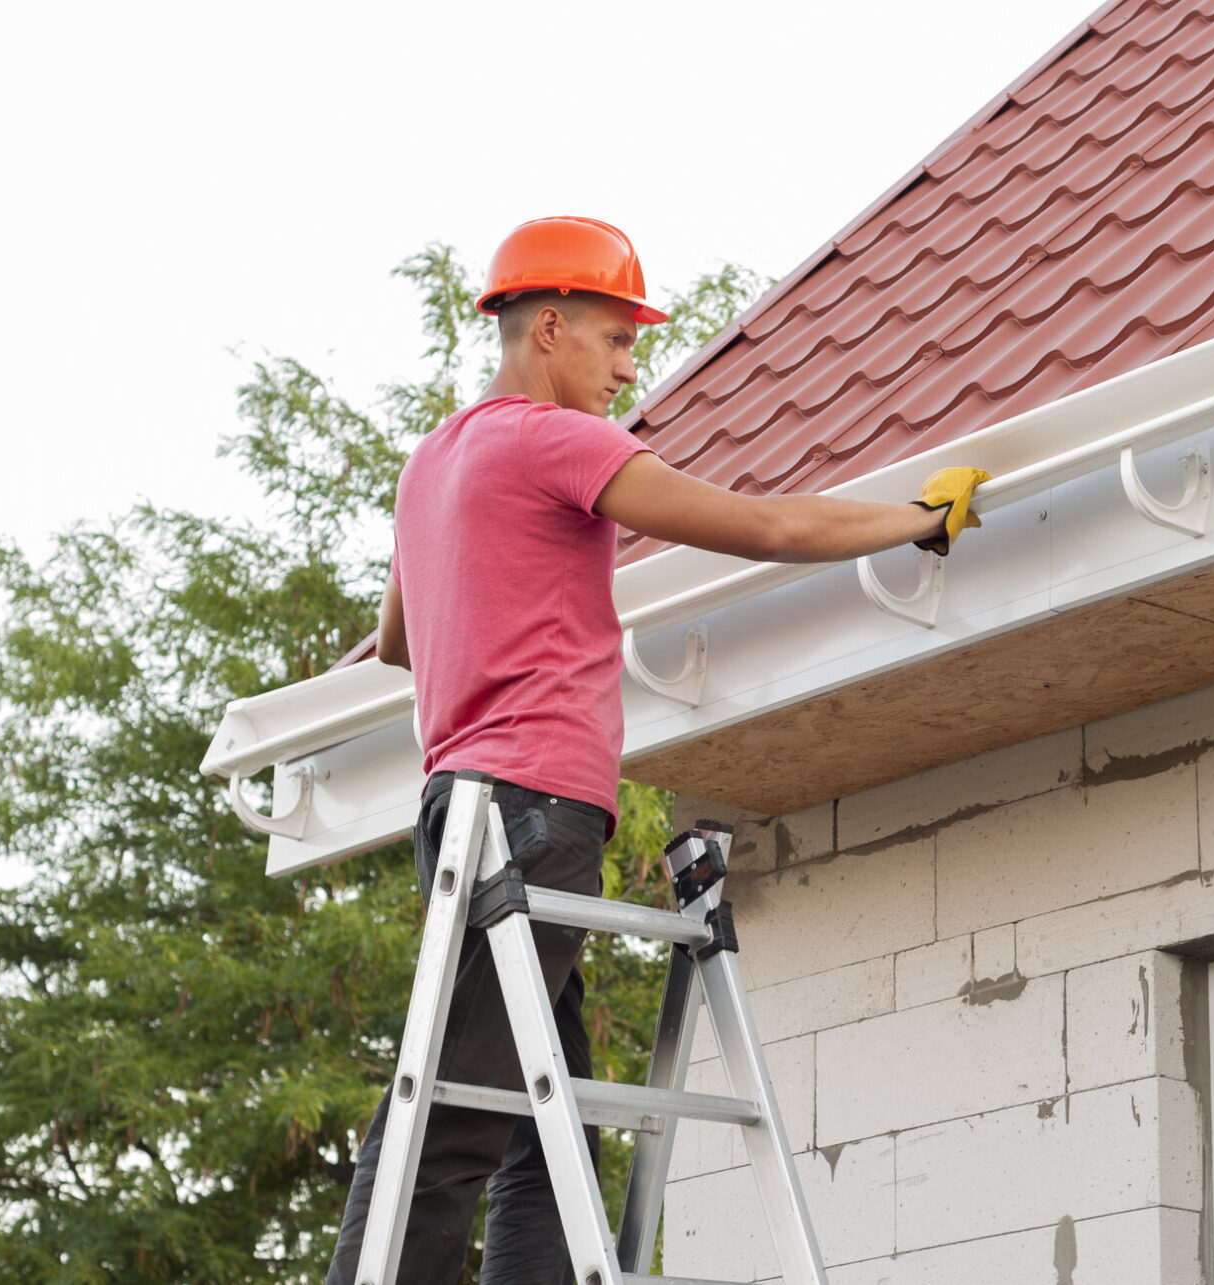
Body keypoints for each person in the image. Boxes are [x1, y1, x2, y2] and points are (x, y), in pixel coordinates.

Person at [326, 215, 987, 1285]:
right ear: (549, 327)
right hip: (534, 813)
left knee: (544, 1132)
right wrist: (911, 520)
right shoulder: (557, 442)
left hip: (461, 813)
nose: (628, 371)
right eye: (616, 342)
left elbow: (401, 642)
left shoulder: (434, 460)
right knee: (447, 1120)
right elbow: (761, 528)